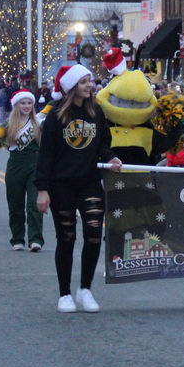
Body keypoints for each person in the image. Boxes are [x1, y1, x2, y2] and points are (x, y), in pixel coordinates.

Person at [35, 65, 122, 313]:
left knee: (94, 233)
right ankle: (64, 294)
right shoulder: (56, 115)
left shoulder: (96, 112)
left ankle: (85, 290)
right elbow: (46, 155)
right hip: (61, 184)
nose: (89, 85)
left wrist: (111, 158)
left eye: (89, 81)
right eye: (84, 82)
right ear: (73, 86)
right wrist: (43, 189)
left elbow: (104, 144)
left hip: (89, 182)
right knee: (67, 237)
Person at [0, 90, 45, 252]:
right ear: (16, 105)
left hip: (35, 165)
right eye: (23, 103)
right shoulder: (8, 125)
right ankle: (17, 239)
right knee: (15, 205)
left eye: (29, 103)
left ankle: (35, 239)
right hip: (15, 166)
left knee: (34, 204)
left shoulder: (39, 121)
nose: (27, 106)